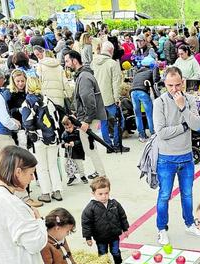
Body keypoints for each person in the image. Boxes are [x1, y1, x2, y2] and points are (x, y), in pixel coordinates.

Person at [153, 67, 200, 245]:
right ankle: (161, 229)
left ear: (183, 82)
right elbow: (161, 132)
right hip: (166, 158)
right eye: (170, 85)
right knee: (164, 195)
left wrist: (183, 108)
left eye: (178, 85)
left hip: (187, 157)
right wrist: (182, 127)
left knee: (187, 194)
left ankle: (189, 223)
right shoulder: (160, 103)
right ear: (165, 84)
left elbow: (197, 125)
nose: (174, 89)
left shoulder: (189, 100)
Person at [21, 77, 63, 204]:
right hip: (52, 137)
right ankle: (57, 191)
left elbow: (27, 122)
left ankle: (46, 193)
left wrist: (33, 133)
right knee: (53, 165)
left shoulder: (27, 103)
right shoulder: (47, 100)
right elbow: (56, 118)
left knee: (41, 167)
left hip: (38, 139)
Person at [65, 50, 106, 178]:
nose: (66, 64)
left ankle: (101, 174)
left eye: (67, 61)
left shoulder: (83, 77)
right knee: (90, 148)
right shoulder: (83, 75)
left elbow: (88, 100)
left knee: (90, 148)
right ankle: (99, 172)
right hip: (88, 117)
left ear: (75, 61)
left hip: (89, 119)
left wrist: (86, 121)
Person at [81, 176, 129, 264]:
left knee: (116, 252)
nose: (104, 196)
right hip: (100, 238)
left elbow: (122, 216)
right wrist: (88, 237)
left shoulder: (114, 204)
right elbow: (86, 223)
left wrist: (125, 229)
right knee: (103, 254)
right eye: (100, 194)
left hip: (114, 236)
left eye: (106, 193)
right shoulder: (90, 208)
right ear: (93, 193)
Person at [91, 41, 127, 153]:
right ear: (111, 51)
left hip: (98, 98)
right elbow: (115, 83)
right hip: (110, 98)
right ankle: (117, 145)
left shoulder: (94, 62)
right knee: (118, 122)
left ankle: (108, 146)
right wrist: (117, 99)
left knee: (104, 123)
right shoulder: (112, 64)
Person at [130, 57, 158, 143]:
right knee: (149, 114)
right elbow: (155, 80)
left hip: (133, 92)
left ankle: (142, 135)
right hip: (143, 92)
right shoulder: (150, 71)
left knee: (137, 114)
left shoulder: (137, 73)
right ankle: (153, 133)